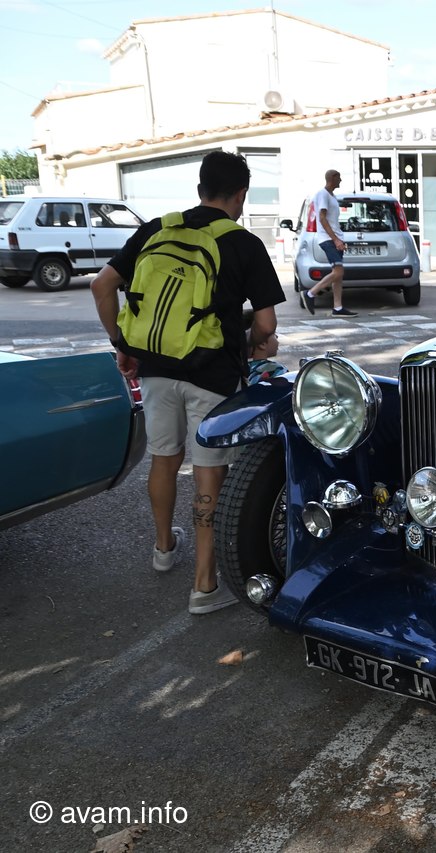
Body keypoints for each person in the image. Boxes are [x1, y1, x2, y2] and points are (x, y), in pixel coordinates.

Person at [90, 151, 285, 614]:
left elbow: (101, 286)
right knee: (209, 470)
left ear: (200, 188)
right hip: (213, 374)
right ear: (241, 195)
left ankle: (163, 549)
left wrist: (122, 343)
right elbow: (266, 324)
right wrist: (255, 346)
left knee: (164, 457)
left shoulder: (157, 229)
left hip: (155, 367)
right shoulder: (242, 242)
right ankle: (204, 585)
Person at [301, 169, 358, 317]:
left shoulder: (332, 196)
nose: (341, 181)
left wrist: (339, 238)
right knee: (338, 272)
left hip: (335, 238)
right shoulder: (323, 194)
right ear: (333, 178)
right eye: (339, 178)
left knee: (338, 275)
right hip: (328, 239)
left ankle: (338, 307)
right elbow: (322, 218)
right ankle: (310, 293)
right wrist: (335, 239)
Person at [244, 309, 286, 384]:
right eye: (274, 334)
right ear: (262, 344)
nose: (277, 337)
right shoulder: (277, 370)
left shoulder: (239, 369)